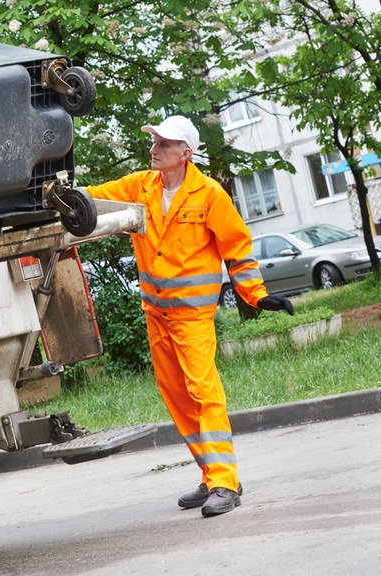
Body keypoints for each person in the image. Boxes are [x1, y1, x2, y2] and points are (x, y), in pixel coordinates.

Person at [84, 115, 294, 517]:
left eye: (164, 143)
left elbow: (236, 249)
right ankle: (212, 472)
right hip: (157, 314)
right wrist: (52, 193)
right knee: (177, 397)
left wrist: (256, 294)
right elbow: (90, 197)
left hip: (193, 318)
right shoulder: (139, 187)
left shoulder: (209, 194)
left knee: (203, 392)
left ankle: (225, 483)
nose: (154, 148)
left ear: (186, 153)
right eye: (154, 141)